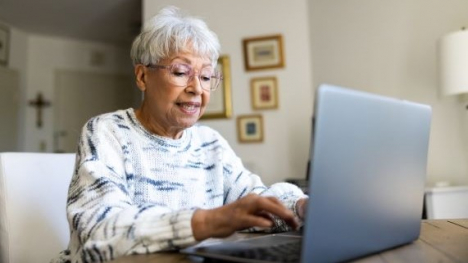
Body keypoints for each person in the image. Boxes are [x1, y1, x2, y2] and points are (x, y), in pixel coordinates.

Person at [52, 6, 308, 263]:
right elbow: (100, 230)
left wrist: (300, 206)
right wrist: (206, 221)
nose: (197, 88)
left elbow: (255, 200)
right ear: (142, 76)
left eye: (206, 76)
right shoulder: (108, 132)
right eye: (180, 72)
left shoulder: (210, 143)